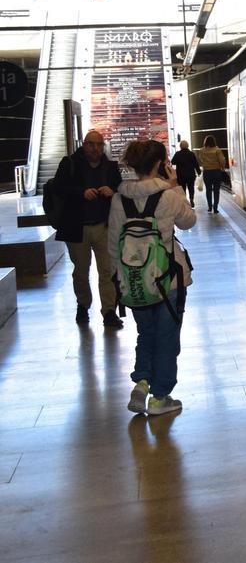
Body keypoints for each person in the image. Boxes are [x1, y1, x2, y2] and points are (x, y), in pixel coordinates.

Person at [109, 140, 195, 416]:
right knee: (167, 338)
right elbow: (189, 220)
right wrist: (175, 186)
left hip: (135, 283)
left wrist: (123, 278)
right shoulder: (168, 196)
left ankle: (142, 381)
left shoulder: (119, 198)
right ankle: (160, 397)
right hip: (168, 281)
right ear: (160, 164)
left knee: (146, 334)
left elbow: (113, 245)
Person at [53, 130, 124, 327]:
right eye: (92, 144)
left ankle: (109, 311)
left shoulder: (110, 167)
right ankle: (83, 305)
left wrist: (113, 191)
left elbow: (120, 188)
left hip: (104, 226)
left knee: (107, 270)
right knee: (81, 270)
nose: (96, 149)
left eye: (99, 144)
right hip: (78, 228)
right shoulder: (70, 164)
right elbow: (58, 188)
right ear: (84, 145)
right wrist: (81, 193)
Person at [196, 135, 227, 214]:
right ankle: (215, 207)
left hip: (207, 172)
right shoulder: (217, 150)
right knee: (216, 190)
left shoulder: (202, 150)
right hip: (216, 172)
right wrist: (222, 167)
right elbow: (222, 160)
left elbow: (200, 160)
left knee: (208, 190)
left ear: (205, 142)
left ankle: (209, 207)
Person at [171, 140, 199, 208]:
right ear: (187, 146)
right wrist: (199, 172)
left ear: (180, 146)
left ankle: (185, 202)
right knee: (191, 188)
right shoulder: (191, 154)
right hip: (190, 175)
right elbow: (196, 164)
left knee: (182, 189)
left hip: (181, 175)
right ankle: (191, 199)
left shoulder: (177, 154)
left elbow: (173, 162)